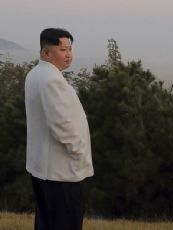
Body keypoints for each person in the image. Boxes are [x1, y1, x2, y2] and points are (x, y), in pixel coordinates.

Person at [25, 28, 94, 230]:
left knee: (47, 222)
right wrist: (79, 152)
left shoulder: (35, 74)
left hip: (44, 168)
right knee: (65, 223)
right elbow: (61, 124)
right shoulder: (51, 79)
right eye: (63, 49)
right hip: (60, 170)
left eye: (70, 49)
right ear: (46, 53)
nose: (69, 54)